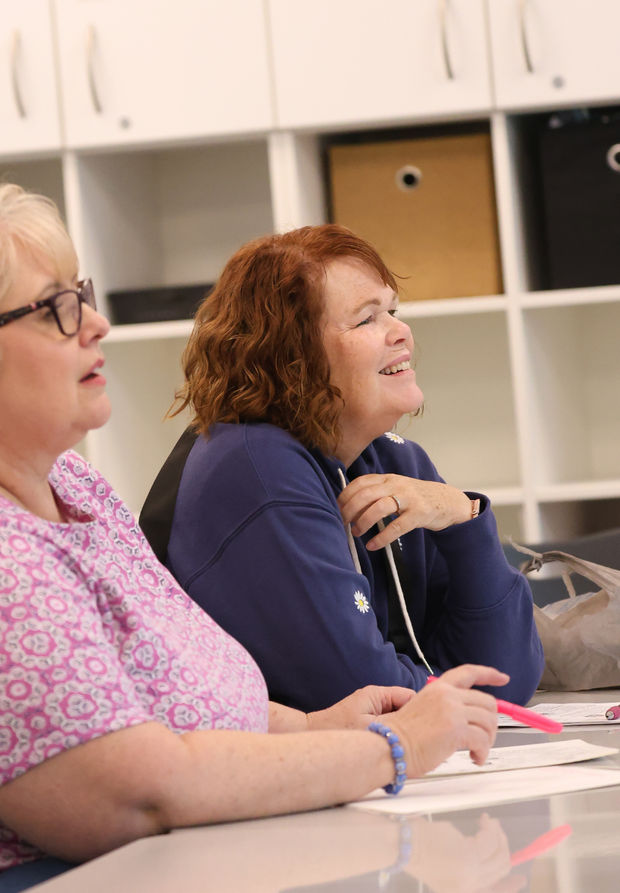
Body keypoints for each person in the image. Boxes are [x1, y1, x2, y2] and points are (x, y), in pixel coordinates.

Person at [0, 187, 506, 892]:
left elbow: (157, 689)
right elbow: (133, 793)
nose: (98, 324)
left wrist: (317, 728)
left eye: (83, 294)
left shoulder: (70, 487)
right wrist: (395, 747)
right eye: (57, 310)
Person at [140, 225, 544, 713]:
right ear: (292, 355)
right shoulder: (256, 469)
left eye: (392, 310)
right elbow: (364, 695)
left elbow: (507, 683)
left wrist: (464, 519)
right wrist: (458, 694)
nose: (401, 332)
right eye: (367, 319)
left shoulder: (394, 462)